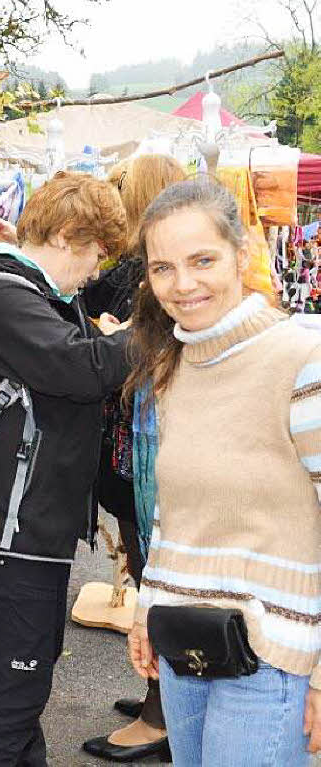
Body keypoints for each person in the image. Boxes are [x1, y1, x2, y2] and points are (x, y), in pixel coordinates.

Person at [126, 178, 321, 765]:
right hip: (185, 646)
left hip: (274, 657)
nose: (182, 285)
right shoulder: (175, 365)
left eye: (202, 260)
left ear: (242, 256)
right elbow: (172, 509)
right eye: (163, 268)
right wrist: (147, 608)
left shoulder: (300, 359)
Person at [0, 172, 132, 766]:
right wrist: (155, 325)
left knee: (23, 685)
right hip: (7, 529)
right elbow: (78, 368)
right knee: (11, 693)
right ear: (67, 234)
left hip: (28, 527)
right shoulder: (3, 297)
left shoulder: (38, 295)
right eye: (96, 254)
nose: (95, 271)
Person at [80, 154, 185, 763]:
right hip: (136, 443)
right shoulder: (141, 270)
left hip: (149, 447)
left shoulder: (145, 273)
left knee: (158, 571)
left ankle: (160, 713)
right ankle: (161, 692)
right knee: (149, 569)